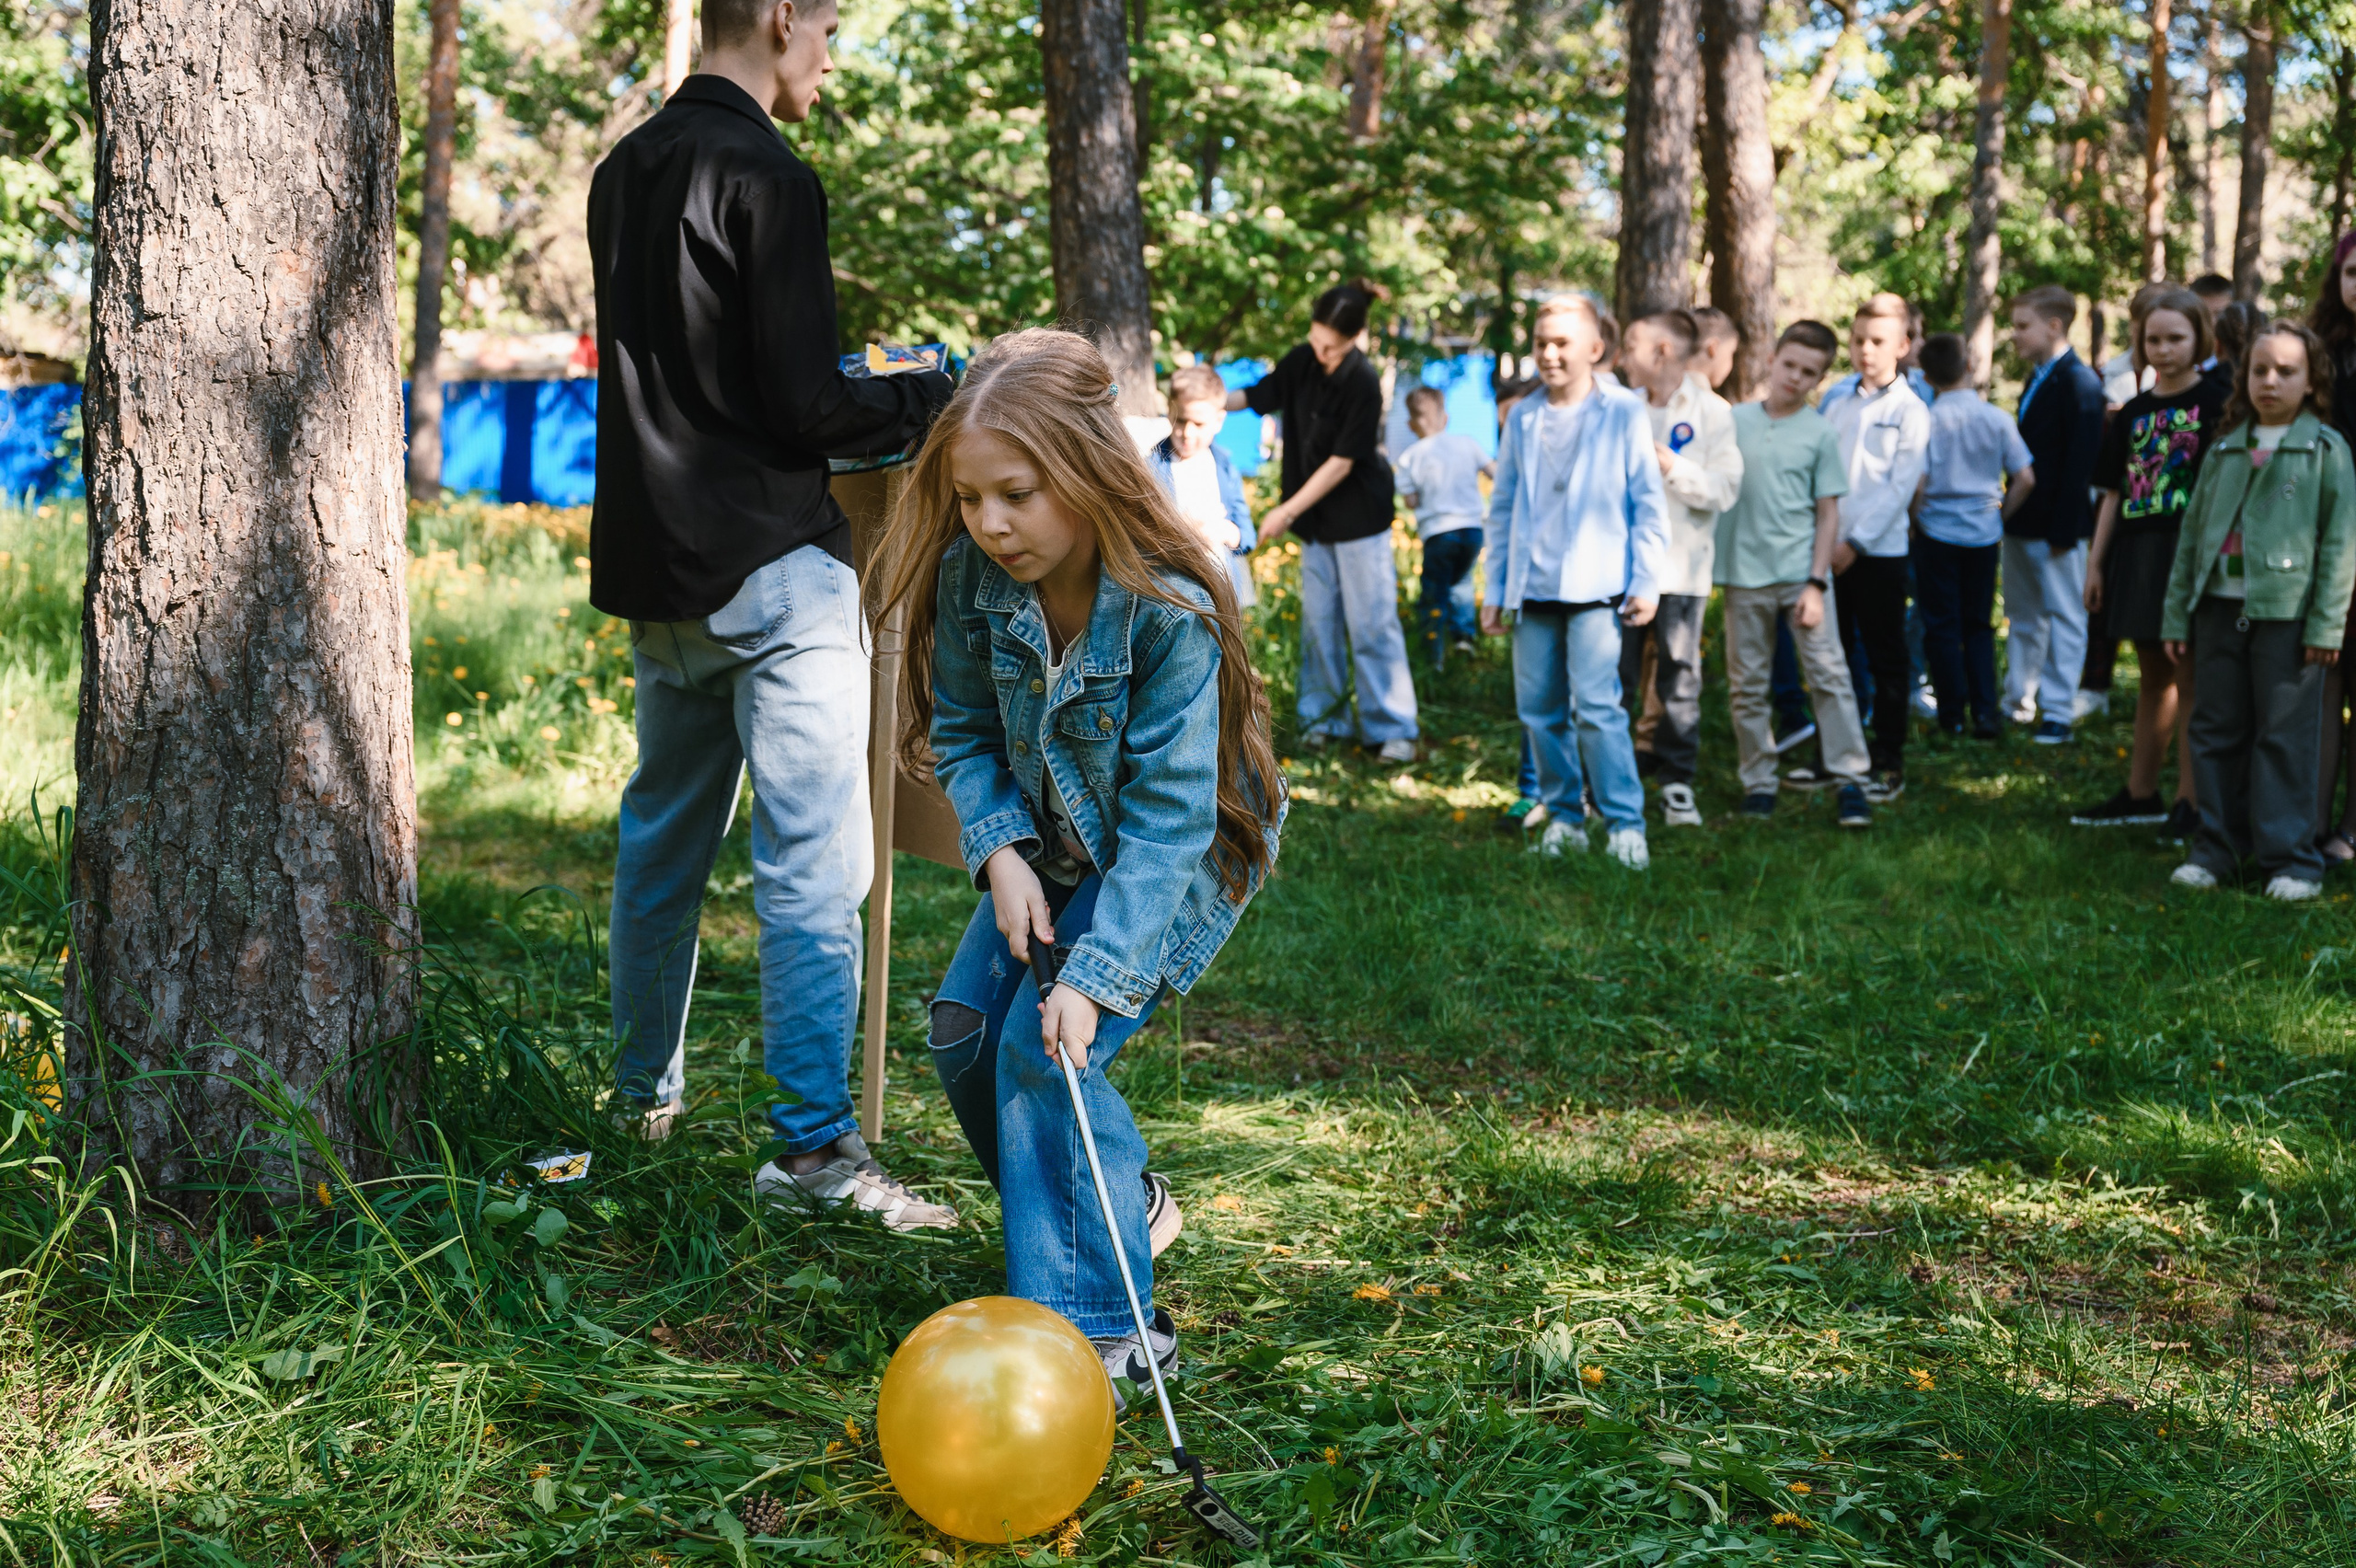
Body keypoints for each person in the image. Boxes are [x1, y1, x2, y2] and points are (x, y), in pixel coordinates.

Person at [588, 0, 960, 1226]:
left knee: (660, 853)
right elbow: (806, 406)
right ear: (785, 17)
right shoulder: (770, 174)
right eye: (831, 31)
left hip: (657, 574)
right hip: (769, 565)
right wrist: (927, 396)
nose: (831, 59)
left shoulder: (624, 167)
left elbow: (692, 384)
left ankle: (637, 1105)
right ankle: (813, 1155)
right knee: (813, 865)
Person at [873, 328, 1286, 1393]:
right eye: (969, 499)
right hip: (1049, 839)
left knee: (1046, 1047)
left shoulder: (1169, 603)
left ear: (1087, 470)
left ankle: (1104, 1332)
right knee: (966, 1035)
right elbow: (965, 731)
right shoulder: (972, 575)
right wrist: (1002, 854)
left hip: (1170, 854)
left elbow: (1167, 819)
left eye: (1016, 495)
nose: (989, 523)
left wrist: (1096, 980)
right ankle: (1116, 1206)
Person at [2162, 321, 2356, 899]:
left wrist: (2326, 625)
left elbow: (2341, 545)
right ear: (2243, 377)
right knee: (2215, 728)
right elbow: (2192, 539)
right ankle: (2216, 849)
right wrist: (2177, 615)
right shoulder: (2224, 449)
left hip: (2288, 618)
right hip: (2218, 612)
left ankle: (2291, 860)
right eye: (2260, 370)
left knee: (2285, 736)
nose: (2270, 381)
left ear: (2312, 381)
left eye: (2286, 371)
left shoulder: (2325, 451)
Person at [1479, 294, 1671, 865]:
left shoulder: (1623, 411)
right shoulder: (1524, 417)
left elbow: (1648, 502)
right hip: (1533, 589)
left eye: (1562, 343)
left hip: (1596, 587)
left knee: (1598, 707)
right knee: (1540, 710)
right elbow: (1504, 505)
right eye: (1541, 343)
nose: (1549, 354)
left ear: (1595, 348)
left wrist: (1647, 581)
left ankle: (1625, 822)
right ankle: (1565, 816)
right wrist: (1495, 589)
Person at [1232, 283, 1418, 761]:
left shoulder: (1364, 381)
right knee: (1319, 623)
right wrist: (1203, 400)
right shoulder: (1302, 360)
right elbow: (1256, 395)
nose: (1321, 353)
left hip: (1359, 519)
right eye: (1316, 341)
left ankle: (1392, 729)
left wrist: (1286, 510)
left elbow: (1341, 462)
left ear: (1355, 339)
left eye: (1331, 347)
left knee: (1372, 623)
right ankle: (1324, 721)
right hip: (1317, 524)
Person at [2073, 290, 2227, 832]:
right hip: (2137, 555)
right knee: (2152, 675)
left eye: (2176, 338)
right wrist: (2096, 564)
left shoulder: (2220, 403)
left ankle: (2192, 801)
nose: (2164, 349)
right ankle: (2141, 794)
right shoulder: (2133, 413)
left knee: (2191, 677)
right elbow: (2113, 493)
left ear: (2200, 338)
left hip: (2191, 553)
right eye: (2153, 339)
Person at [1715, 320, 1873, 828]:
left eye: (1808, 373)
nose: (1795, 378)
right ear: (1771, 360)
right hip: (1743, 574)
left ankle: (1850, 779)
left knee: (1829, 675)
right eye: (1789, 365)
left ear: (1819, 380)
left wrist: (1817, 582)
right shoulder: (1733, 421)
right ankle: (1759, 780)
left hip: (1800, 574)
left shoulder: (1820, 432)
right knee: (1747, 684)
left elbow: (1828, 514)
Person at [1617, 308, 1741, 826]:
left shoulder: (1712, 413)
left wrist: (1672, 467)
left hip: (1681, 571)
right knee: (1616, 676)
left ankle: (1676, 781)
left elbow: (1724, 490)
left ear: (1662, 351)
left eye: (1631, 346)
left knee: (1678, 676)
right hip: (1622, 572)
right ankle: (1610, 777)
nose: (1623, 358)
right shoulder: (1621, 408)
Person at [1810, 294, 1929, 800]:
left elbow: (1900, 488)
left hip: (1878, 554)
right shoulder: (1838, 404)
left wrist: (1855, 543)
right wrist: (1826, 543)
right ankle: (1834, 753)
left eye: (1878, 341)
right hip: (1828, 550)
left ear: (1902, 345)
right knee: (1830, 657)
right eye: (1859, 340)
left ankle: (1887, 758)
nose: (1866, 350)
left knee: (1886, 657)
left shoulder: (1911, 410)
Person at [1913, 332, 2034, 740]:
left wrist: (1914, 520)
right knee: (1978, 624)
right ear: (1968, 366)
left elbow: (1918, 483)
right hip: (1983, 531)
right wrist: (2001, 513)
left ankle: (1951, 714)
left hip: (1935, 530)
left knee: (1941, 624)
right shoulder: (1996, 418)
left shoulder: (1925, 421)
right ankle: (1986, 713)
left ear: (1927, 378)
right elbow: (2025, 477)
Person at [2002, 284, 2107, 744]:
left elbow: (2081, 465)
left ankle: (2059, 710)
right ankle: (2019, 699)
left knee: (2064, 615)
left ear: (2054, 326)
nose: (2014, 334)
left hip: (2059, 526)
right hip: (2023, 521)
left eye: (2022, 326)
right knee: (2023, 615)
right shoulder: (2037, 378)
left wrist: (2064, 531)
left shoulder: (2081, 383)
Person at [2305, 234, 2356, 860]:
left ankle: (2351, 828)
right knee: (2321, 684)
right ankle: (2310, 820)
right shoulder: (2319, 351)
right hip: (2320, 535)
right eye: (2351, 273)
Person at [1393, 384, 1495, 666]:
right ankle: (1463, 639)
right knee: (1462, 582)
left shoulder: (1409, 457)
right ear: (1445, 417)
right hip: (1473, 530)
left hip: (1438, 532)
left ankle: (1433, 653)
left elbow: (1410, 500)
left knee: (1435, 589)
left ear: (1411, 424)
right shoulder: (1467, 443)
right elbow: (1494, 473)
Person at [1148, 363, 1256, 609]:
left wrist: (1229, 532)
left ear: (1218, 420)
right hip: (1175, 594)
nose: (1187, 433)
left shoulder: (1223, 464)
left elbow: (1247, 533)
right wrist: (1187, 531)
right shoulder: (1152, 465)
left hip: (1222, 589)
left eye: (1198, 424)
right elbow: (1142, 532)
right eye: (1180, 420)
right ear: (1170, 411)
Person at [1692, 307, 1743, 397]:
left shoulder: (1666, 392)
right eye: (1731, 353)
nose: (1731, 364)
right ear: (1713, 348)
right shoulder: (1713, 404)